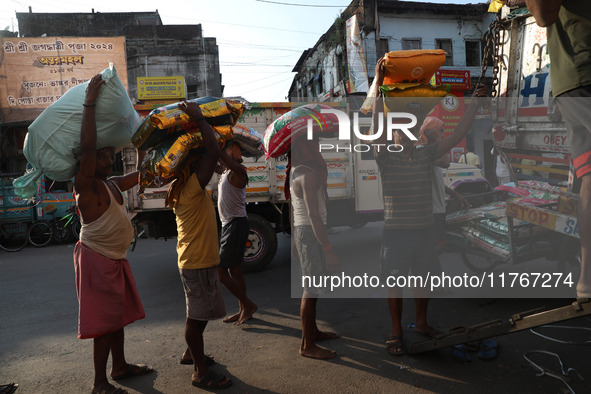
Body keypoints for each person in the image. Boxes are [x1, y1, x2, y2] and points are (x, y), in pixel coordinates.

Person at [372, 56, 487, 356]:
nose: (405, 134)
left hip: (423, 228)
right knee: (395, 282)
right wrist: (378, 82)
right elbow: (375, 126)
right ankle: (396, 329)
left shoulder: (425, 154)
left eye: (410, 129)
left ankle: (421, 322)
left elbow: (458, 135)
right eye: (399, 130)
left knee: (423, 280)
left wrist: (473, 105)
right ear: (393, 135)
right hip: (396, 231)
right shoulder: (385, 156)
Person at [73, 74, 152, 394]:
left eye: (110, 155)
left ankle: (119, 367)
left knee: (115, 317)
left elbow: (144, 176)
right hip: (96, 259)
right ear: (87, 161)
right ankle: (98, 383)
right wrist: (90, 102)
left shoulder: (112, 183)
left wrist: (146, 145)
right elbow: (89, 146)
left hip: (114, 259)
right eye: (102, 156)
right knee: (104, 323)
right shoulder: (85, 185)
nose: (108, 158)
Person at [525, 0, 591, 298]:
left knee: (588, 180)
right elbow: (543, 14)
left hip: (571, 80)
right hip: (584, 73)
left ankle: (586, 281)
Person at [165, 101, 232, 390]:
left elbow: (212, 157)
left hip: (200, 260)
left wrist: (211, 160)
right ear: (193, 166)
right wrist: (200, 117)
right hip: (196, 262)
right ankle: (200, 372)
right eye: (200, 161)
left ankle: (192, 353)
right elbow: (214, 150)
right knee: (197, 317)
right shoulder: (191, 187)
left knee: (202, 314)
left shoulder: (188, 187)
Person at [289, 136, 340, 359]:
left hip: (304, 232)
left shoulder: (296, 170)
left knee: (314, 286)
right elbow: (313, 215)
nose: (318, 146)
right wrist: (328, 249)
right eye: (314, 142)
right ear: (305, 147)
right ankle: (307, 345)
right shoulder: (308, 175)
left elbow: (293, 210)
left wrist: (294, 239)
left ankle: (313, 332)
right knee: (310, 289)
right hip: (310, 232)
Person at [216, 141, 258, 325]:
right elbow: (216, 162)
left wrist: (215, 144)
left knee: (220, 272)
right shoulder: (226, 171)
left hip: (235, 224)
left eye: (232, 148)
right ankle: (243, 309)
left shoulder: (239, 170)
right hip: (230, 225)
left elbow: (222, 157)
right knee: (235, 271)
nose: (233, 151)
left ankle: (247, 305)